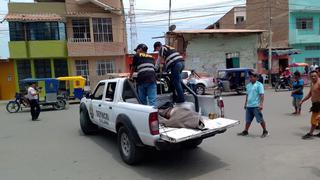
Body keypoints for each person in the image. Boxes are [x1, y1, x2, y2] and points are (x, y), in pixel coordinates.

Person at [238, 71, 269, 138]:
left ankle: (265, 131)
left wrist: (261, 104)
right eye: (250, 77)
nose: (250, 78)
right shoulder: (248, 85)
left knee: (260, 119)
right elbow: (247, 95)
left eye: (252, 77)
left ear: (256, 78)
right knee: (248, 120)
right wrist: (245, 103)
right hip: (249, 106)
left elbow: (262, 95)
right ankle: (246, 131)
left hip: (256, 106)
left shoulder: (259, 85)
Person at [300, 71, 320, 139]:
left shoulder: (319, 83)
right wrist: (302, 101)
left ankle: (310, 134)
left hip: (318, 104)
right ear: (310, 77)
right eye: (312, 76)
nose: (313, 77)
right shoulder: (312, 83)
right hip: (315, 104)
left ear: (317, 75)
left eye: (315, 76)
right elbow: (310, 94)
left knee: (313, 120)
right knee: (318, 120)